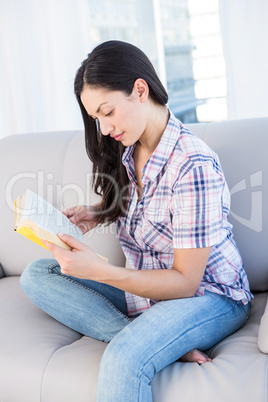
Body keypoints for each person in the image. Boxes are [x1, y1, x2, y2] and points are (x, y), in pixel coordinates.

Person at [20, 40, 253, 402]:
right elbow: (148, 207)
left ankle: (142, 341)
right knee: (39, 273)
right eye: (96, 118)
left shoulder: (192, 165)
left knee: (125, 358)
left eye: (107, 111)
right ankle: (158, 341)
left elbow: (185, 283)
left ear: (140, 90)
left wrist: (95, 270)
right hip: (148, 293)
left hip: (210, 297)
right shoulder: (131, 148)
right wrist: (99, 212)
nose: (104, 127)